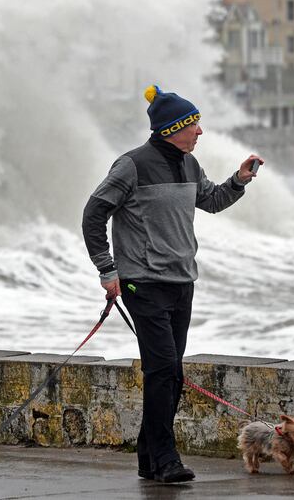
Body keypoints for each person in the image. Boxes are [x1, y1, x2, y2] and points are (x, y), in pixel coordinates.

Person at [81, 85, 262, 483]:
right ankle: (166, 460)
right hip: (142, 283)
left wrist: (239, 180)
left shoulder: (188, 164)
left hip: (182, 282)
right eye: (194, 124)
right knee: (163, 371)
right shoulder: (132, 165)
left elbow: (211, 200)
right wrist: (107, 270)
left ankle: (148, 458)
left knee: (170, 373)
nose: (200, 131)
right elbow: (94, 214)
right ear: (172, 128)